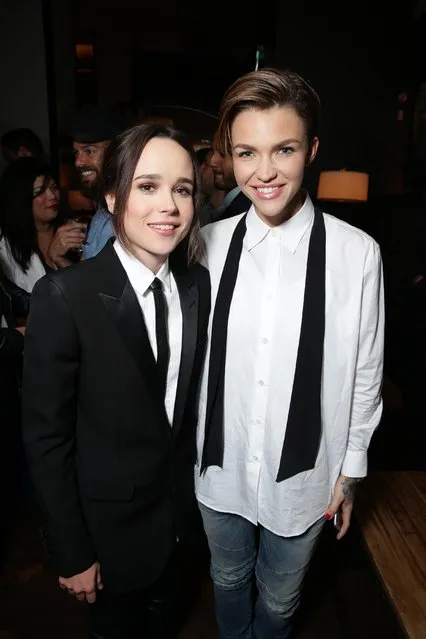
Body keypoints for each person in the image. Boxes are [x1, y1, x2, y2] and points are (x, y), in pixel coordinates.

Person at [195, 68, 384, 639]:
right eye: (248, 152)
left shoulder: (357, 254)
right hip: (220, 473)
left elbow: (366, 373)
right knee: (226, 580)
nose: (266, 171)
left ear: (312, 150)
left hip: (304, 481)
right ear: (229, 156)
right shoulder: (206, 244)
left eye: (285, 149)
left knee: (279, 601)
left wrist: (349, 473)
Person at [22, 122, 210, 639]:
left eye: (182, 188)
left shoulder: (197, 287)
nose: (167, 205)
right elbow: (46, 439)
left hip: (182, 530)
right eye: (147, 186)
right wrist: (71, 550)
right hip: (109, 541)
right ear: (112, 195)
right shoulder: (65, 296)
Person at [0, 157, 87, 292]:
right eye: (40, 192)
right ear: (20, 200)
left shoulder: (73, 230)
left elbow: (89, 290)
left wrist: (59, 259)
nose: (52, 195)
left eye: (54, 187)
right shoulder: (6, 247)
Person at [71, 105, 121, 258]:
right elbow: (90, 279)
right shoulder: (101, 212)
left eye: (89, 151)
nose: (78, 162)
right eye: (76, 153)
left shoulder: (127, 216)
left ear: (114, 154)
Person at [199, 130, 250, 226]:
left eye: (223, 154)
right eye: (213, 152)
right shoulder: (229, 206)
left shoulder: (246, 211)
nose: (212, 162)